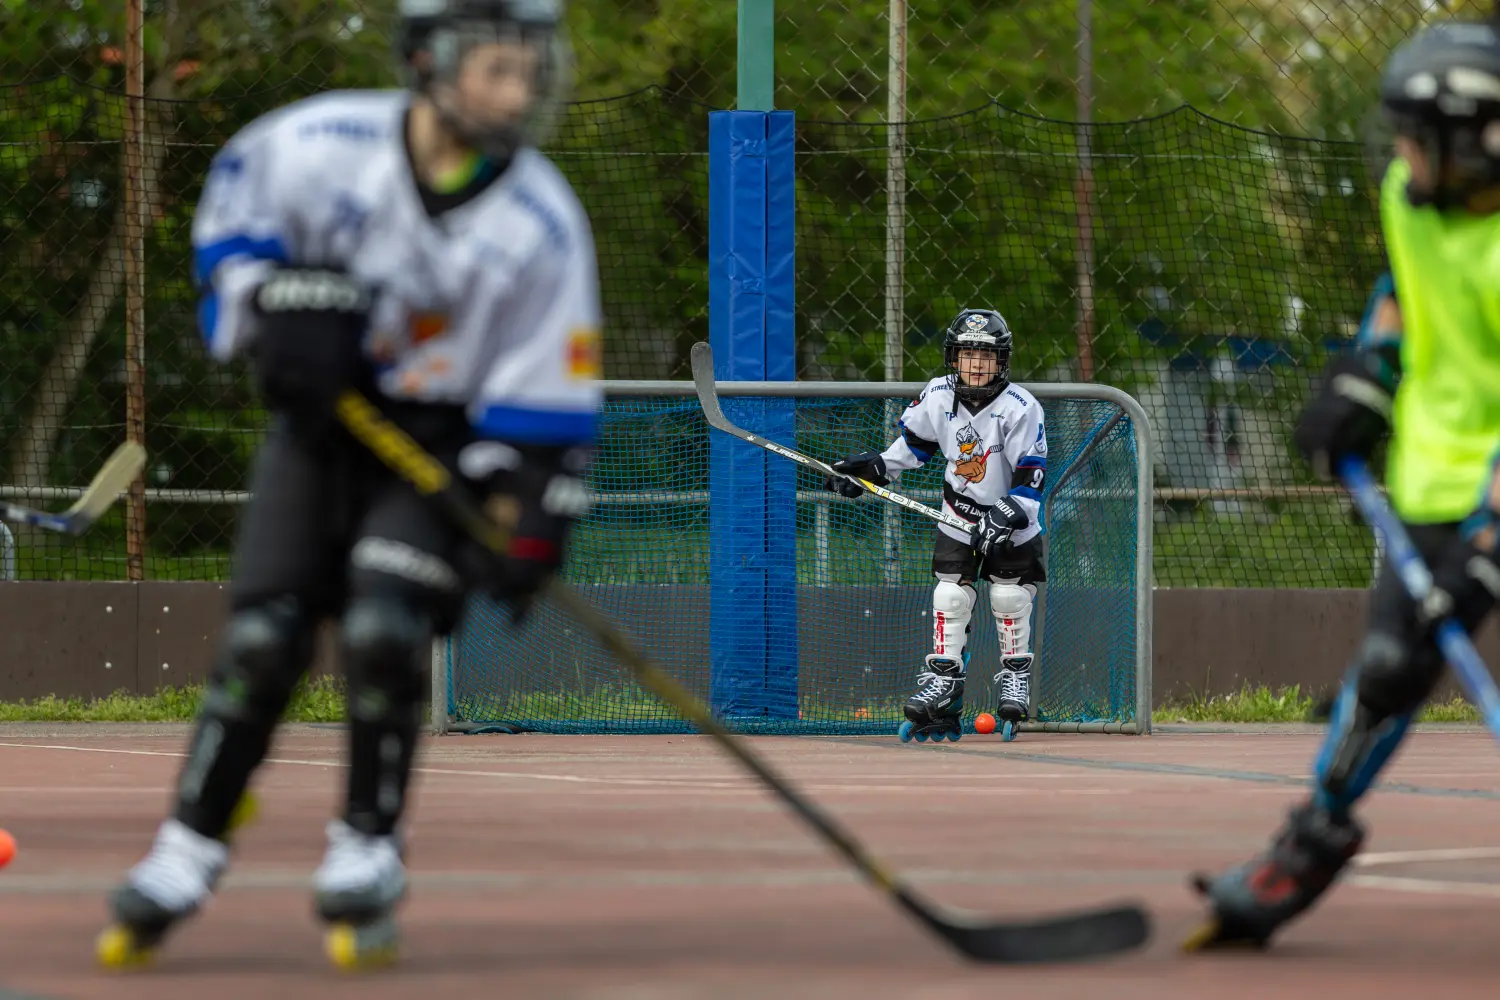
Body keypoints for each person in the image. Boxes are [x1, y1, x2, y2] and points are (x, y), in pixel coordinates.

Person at [96, 0, 601, 970]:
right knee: (263, 636)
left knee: (384, 628)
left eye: (527, 67)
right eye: (492, 66)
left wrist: (532, 517)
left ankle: (367, 842)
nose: (516, 89)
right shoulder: (315, 145)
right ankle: (189, 841)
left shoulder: (543, 219)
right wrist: (272, 312)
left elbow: (544, 405)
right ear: (424, 60)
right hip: (321, 434)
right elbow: (233, 246)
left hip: (438, 447)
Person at [1185, 17, 1500, 950]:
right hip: (1436, 472)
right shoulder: (1415, 192)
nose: (1401, 153)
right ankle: (1309, 842)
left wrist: (1486, 552)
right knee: (1388, 674)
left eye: (1416, 134)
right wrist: (1369, 366)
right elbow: (1404, 284)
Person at [824, 308, 1048, 743]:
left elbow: (1032, 476)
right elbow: (912, 448)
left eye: (986, 355)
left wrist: (1011, 510)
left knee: (1007, 597)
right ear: (954, 357)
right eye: (967, 353)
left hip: (1012, 524)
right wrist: (871, 471)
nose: (976, 364)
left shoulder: (1021, 407)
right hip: (958, 516)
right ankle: (944, 684)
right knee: (949, 595)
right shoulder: (937, 395)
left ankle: (1014, 675)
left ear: (1001, 361)